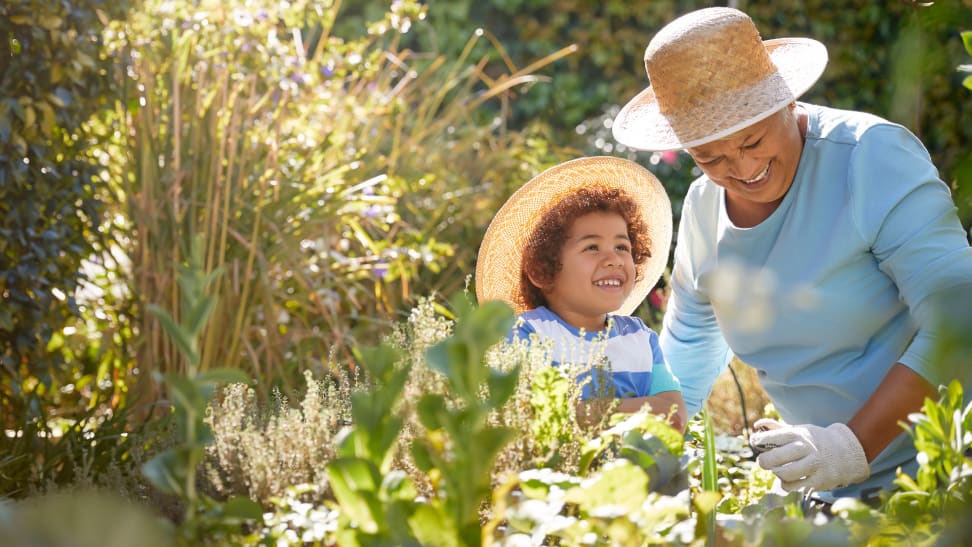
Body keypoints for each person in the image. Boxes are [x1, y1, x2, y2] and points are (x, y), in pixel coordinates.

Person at [612, 6, 972, 502]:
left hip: (949, 472)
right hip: (830, 490)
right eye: (710, 158)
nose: (743, 168)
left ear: (785, 99)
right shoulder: (702, 207)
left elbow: (959, 318)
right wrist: (648, 450)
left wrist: (848, 447)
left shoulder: (869, 158)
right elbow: (692, 341)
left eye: (753, 140)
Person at [475, 156, 687, 432]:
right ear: (542, 271)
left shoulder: (640, 338)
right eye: (592, 248)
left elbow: (674, 415)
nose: (613, 259)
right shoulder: (526, 334)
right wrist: (641, 409)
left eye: (622, 247)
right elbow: (532, 417)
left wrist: (587, 410)